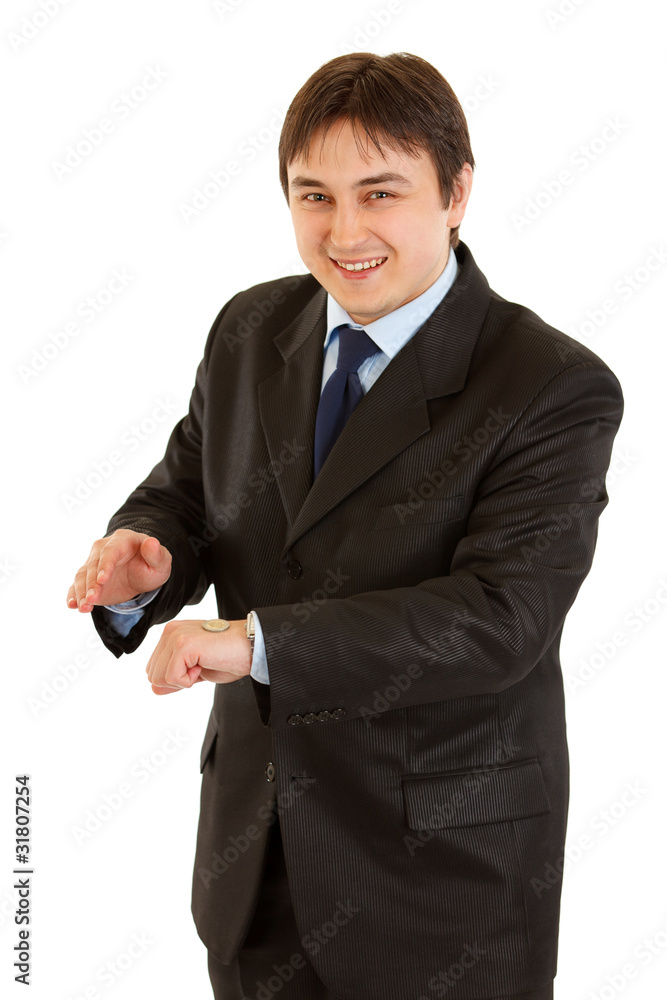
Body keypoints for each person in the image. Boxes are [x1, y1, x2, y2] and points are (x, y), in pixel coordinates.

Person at [66, 51, 624, 1000]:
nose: (344, 231)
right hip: (255, 866)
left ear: (456, 192)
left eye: (380, 193)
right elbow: (190, 494)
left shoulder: (550, 386)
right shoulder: (249, 329)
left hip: (441, 892)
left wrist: (259, 643)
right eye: (313, 196)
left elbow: (500, 619)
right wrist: (146, 558)